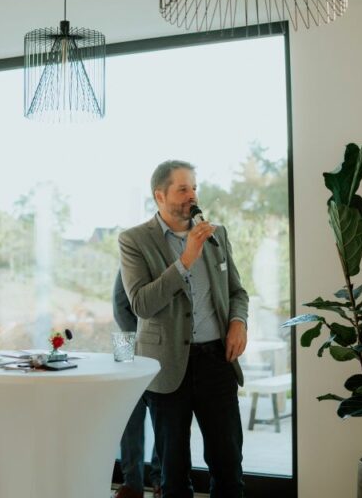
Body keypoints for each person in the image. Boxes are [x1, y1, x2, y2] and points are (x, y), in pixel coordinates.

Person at [119, 160, 249, 498]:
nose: (192, 194)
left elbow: (237, 291)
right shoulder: (133, 240)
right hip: (166, 367)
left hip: (216, 362)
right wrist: (186, 258)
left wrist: (239, 322)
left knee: (229, 465)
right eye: (182, 188)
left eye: (194, 187)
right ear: (159, 195)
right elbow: (142, 305)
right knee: (173, 476)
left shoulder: (217, 234)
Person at [113, 269, 162, 498]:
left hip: (166, 344)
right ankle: (132, 484)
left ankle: (162, 480)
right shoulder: (131, 251)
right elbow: (119, 304)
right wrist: (139, 339)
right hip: (127, 342)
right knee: (129, 416)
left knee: (166, 418)